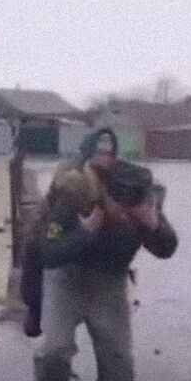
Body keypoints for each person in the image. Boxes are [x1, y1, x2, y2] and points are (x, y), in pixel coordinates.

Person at [34, 151, 177, 381]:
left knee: (118, 357)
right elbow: (47, 253)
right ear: (106, 194)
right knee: (55, 348)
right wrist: (85, 232)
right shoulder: (77, 197)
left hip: (109, 284)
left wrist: (154, 227)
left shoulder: (146, 205)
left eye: (130, 209)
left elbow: (167, 248)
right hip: (66, 278)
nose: (124, 214)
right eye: (118, 206)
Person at [20, 128, 119, 337]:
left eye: (110, 152)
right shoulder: (74, 184)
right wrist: (84, 231)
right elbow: (49, 243)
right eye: (100, 151)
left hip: (86, 254)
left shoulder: (117, 179)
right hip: (50, 243)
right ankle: (37, 314)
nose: (106, 156)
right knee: (41, 321)